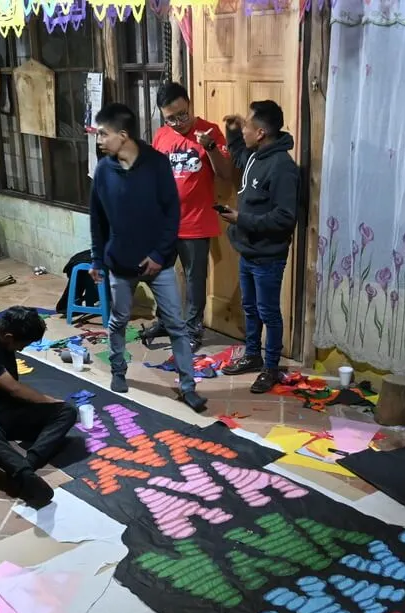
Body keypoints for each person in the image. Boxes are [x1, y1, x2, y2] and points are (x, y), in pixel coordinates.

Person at [89, 102, 207, 413]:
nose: (99, 140)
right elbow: (97, 220)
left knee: (177, 325)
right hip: (120, 264)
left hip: (159, 265)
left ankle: (187, 385)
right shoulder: (103, 170)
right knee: (118, 321)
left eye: (103, 134)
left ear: (123, 135)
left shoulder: (157, 164)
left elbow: (172, 214)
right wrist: (97, 260)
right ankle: (118, 371)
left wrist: (158, 254)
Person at [218, 100, 300, 394]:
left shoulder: (283, 168)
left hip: (269, 255)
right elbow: (239, 157)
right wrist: (232, 133)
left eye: (248, 125)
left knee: (268, 312)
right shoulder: (255, 154)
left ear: (262, 132)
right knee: (250, 308)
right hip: (248, 250)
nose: (245, 129)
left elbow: (284, 217)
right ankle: (252, 355)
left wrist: (242, 219)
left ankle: (271, 368)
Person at [0, 307, 76, 508]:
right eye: (22, 344)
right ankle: (25, 477)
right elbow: (13, 388)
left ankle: (28, 463)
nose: (21, 350)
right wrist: (47, 400)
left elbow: (14, 395)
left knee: (67, 411)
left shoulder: (3, 335)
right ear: (9, 336)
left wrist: (56, 405)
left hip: (11, 410)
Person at [144, 82, 231, 351]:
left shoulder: (210, 132)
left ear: (189, 103)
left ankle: (193, 329)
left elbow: (226, 173)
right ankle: (165, 319)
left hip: (196, 222)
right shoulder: (160, 137)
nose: (178, 122)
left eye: (182, 114)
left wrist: (212, 147)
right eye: (170, 118)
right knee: (160, 275)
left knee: (195, 281)